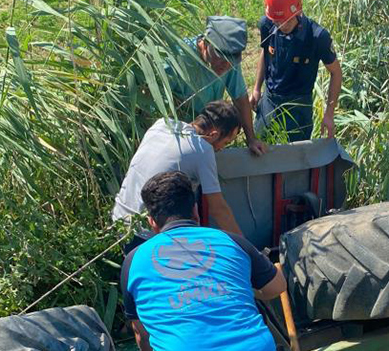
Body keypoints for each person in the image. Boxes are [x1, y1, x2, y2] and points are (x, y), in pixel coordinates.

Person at [121, 171, 286, 351]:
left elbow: (141, 334)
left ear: (151, 222)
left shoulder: (134, 261)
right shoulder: (232, 241)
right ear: (195, 210)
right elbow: (277, 287)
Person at [111, 101, 243, 236]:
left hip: (119, 221)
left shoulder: (162, 124)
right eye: (226, 142)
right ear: (213, 134)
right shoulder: (202, 149)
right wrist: (247, 250)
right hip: (146, 236)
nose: (221, 149)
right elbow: (218, 209)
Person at [167, 16, 267, 156]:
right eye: (220, 57)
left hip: (209, 136)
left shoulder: (229, 62)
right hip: (177, 134)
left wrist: (251, 139)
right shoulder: (177, 57)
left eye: (231, 61)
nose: (225, 65)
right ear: (206, 43)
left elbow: (240, 99)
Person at [250, 0, 343, 142]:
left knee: (296, 157)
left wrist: (329, 114)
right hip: (270, 98)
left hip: (299, 105)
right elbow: (266, 53)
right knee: (258, 146)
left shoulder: (317, 36)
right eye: (277, 22)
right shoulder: (267, 24)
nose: (282, 26)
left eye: (286, 21)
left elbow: (336, 72)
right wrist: (256, 89)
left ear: (298, 11)